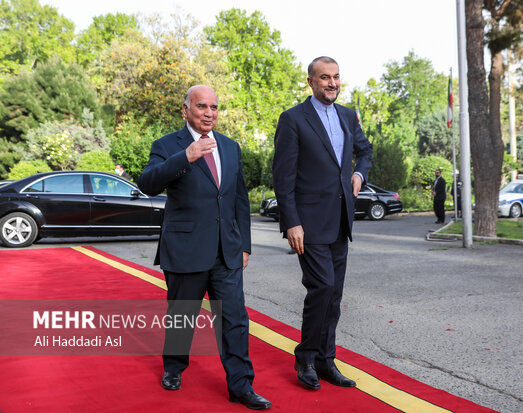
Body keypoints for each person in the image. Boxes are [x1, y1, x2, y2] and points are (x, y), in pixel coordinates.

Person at [137, 85, 271, 410]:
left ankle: (240, 385)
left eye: (214, 107)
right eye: (201, 106)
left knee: (235, 319)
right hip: (185, 248)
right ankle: (174, 367)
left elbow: (239, 199)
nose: (209, 112)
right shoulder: (168, 145)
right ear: (186, 110)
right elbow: (147, 183)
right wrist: (186, 157)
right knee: (182, 315)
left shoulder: (230, 146)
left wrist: (245, 245)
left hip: (227, 251)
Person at [273, 56, 373, 391]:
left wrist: (359, 174)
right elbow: (283, 177)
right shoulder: (292, 120)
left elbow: (365, 151)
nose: (332, 83)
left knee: (334, 295)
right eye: (325, 77)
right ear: (311, 81)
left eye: (336, 77)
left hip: (340, 221)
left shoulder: (347, 116)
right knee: (322, 287)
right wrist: (291, 222)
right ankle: (306, 358)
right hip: (309, 224)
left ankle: (327, 360)